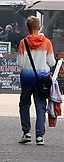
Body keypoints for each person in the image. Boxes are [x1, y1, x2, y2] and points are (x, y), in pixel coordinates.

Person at [17, 16, 55, 145]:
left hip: (27, 79)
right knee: (40, 106)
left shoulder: (23, 43)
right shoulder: (47, 42)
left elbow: (20, 62)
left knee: (24, 104)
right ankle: (40, 135)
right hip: (42, 79)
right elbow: (51, 62)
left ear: (27, 29)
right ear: (39, 28)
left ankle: (26, 133)